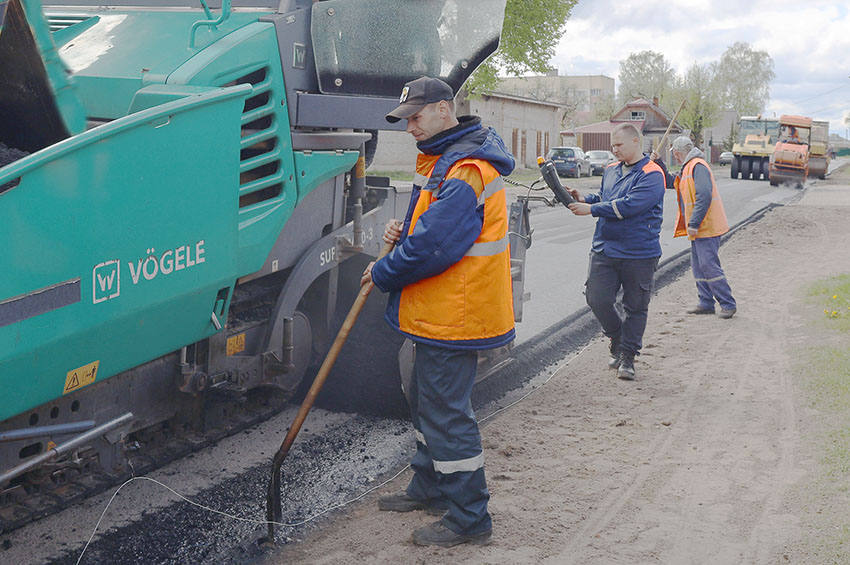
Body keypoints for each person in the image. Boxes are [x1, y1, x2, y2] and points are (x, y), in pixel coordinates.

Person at [360, 76, 515, 547]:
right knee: (426, 400)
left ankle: (470, 517)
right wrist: (401, 230)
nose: (409, 127)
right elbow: (427, 227)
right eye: (405, 119)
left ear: (445, 109)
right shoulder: (443, 161)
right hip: (441, 312)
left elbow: (435, 246)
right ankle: (430, 486)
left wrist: (385, 271)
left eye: (415, 116)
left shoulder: (467, 169)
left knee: (447, 413)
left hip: (458, 317)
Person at [566, 123, 665, 380]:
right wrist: (585, 199)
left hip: (639, 253)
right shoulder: (610, 170)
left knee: (635, 306)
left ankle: (628, 357)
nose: (614, 149)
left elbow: (629, 206)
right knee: (596, 297)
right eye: (613, 145)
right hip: (605, 248)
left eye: (619, 144)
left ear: (636, 142)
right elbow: (604, 196)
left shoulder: (652, 174)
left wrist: (592, 210)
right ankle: (618, 337)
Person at [669, 136, 736, 318]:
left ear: (677, 153)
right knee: (698, 266)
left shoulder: (697, 166)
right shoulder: (689, 167)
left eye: (674, 155)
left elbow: (704, 195)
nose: (675, 158)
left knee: (709, 265)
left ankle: (728, 304)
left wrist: (694, 222)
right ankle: (706, 302)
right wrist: (657, 163)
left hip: (706, 226)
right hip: (700, 228)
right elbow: (670, 182)